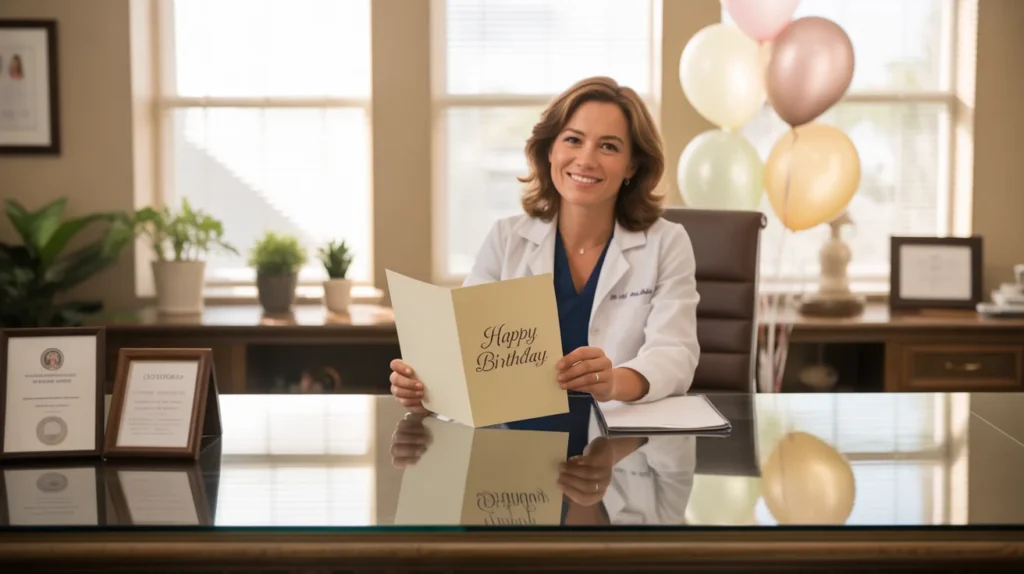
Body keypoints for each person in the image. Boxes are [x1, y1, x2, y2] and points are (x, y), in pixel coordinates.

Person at [390, 75, 700, 410]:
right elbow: (465, 352)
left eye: (608, 146)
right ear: (550, 149)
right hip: (517, 440)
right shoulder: (505, 239)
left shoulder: (666, 243)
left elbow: (675, 354)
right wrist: (426, 390)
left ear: (631, 166)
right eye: (573, 140)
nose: (586, 160)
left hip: (617, 440)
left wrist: (614, 382)